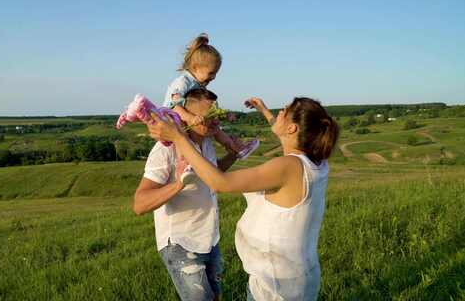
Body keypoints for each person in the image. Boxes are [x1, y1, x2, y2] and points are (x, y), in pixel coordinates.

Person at [147, 96, 340, 301]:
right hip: (296, 275)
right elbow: (284, 131)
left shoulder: (288, 167)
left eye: (284, 111)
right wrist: (264, 111)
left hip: (277, 286)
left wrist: (179, 138)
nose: (278, 113)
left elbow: (220, 183)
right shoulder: (316, 162)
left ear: (292, 129)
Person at [134, 89, 237, 301]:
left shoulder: (206, 142)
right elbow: (139, 203)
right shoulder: (166, 150)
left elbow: (212, 175)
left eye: (218, 116)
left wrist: (234, 154)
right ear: (188, 116)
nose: (216, 122)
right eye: (210, 116)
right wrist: (178, 184)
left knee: (216, 297)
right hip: (180, 243)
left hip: (209, 239)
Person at [164, 33, 259, 183]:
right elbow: (174, 105)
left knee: (216, 129)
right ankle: (184, 164)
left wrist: (224, 114)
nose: (213, 77)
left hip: (191, 120)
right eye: (211, 73)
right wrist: (190, 117)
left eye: (215, 74)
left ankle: (236, 148)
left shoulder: (198, 84)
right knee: (181, 137)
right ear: (195, 67)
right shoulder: (183, 82)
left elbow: (208, 109)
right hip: (175, 120)